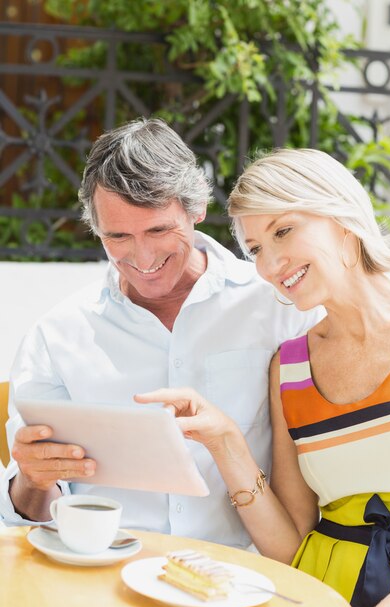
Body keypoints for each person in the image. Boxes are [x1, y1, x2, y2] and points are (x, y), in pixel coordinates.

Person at [0, 119, 320, 549]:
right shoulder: (58, 336)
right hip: (103, 585)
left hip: (240, 579)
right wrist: (33, 482)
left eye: (158, 230)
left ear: (197, 209)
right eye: (117, 236)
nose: (143, 256)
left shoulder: (278, 307)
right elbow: (30, 517)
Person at [135, 148, 390, 607]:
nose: (269, 265)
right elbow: (293, 547)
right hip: (319, 605)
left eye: (283, 231)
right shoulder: (289, 368)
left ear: (341, 218)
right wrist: (228, 445)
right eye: (255, 249)